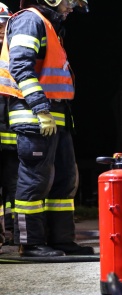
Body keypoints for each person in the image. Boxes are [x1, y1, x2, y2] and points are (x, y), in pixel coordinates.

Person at [0, 0, 93, 258]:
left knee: (64, 182)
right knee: (33, 182)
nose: (72, 7)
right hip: (35, 115)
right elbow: (20, 67)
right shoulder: (30, 20)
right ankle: (30, 244)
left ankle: (61, 240)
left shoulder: (50, 25)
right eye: (70, 2)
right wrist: (41, 109)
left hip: (56, 116)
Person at [0, 3, 18, 251]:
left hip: (13, 132)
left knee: (15, 187)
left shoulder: (15, 49)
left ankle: (17, 232)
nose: (2, 27)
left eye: (5, 22)